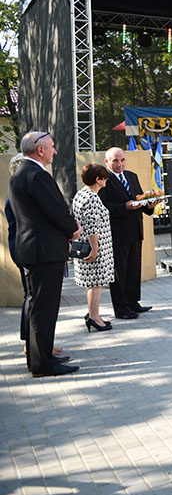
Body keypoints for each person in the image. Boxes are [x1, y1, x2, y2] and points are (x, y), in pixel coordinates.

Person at [9, 131, 82, 377]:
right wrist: (73, 229)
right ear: (40, 150)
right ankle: (43, 364)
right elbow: (56, 210)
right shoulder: (36, 175)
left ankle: (41, 356)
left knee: (37, 305)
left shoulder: (21, 173)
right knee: (44, 308)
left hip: (35, 250)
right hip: (43, 252)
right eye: (52, 146)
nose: (55, 151)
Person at [99, 147, 156, 320]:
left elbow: (139, 202)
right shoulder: (103, 180)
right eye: (115, 161)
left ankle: (133, 302)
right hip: (117, 234)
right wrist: (125, 206)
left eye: (122, 160)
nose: (120, 164)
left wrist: (149, 205)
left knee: (133, 269)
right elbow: (104, 207)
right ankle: (121, 308)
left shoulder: (131, 176)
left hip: (135, 231)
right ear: (107, 162)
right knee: (119, 272)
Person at [72, 164, 114, 332]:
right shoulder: (91, 198)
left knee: (93, 284)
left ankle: (94, 314)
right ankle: (94, 317)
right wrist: (95, 249)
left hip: (85, 245)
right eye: (105, 178)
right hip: (92, 248)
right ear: (98, 179)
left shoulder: (81, 194)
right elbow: (91, 227)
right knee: (95, 284)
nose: (106, 181)